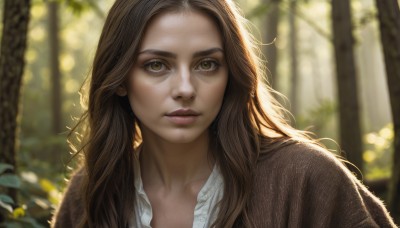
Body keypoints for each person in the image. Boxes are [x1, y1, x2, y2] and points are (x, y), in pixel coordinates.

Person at [51, 0, 397, 227]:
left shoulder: (306, 179)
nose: (185, 88)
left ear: (230, 73)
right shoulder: (91, 191)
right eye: (157, 65)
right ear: (121, 78)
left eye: (207, 64)